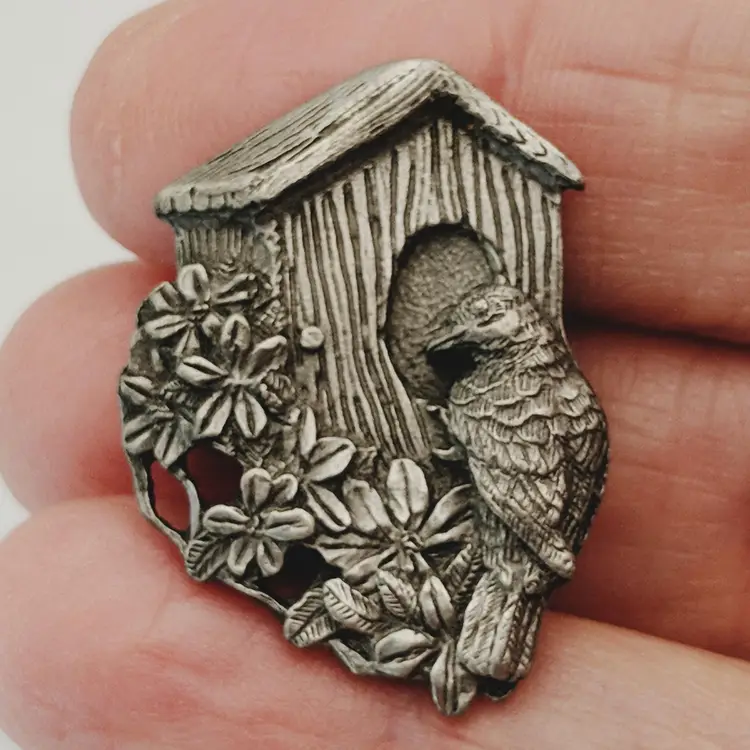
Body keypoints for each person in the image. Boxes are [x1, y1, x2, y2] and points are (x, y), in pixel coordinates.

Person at [1, 0, 749, 747]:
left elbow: (522, 482)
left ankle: (479, 630)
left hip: (496, 532)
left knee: (492, 583)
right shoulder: (552, 395)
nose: (466, 330)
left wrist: (525, 541)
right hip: (482, 532)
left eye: (487, 320)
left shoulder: (494, 395)